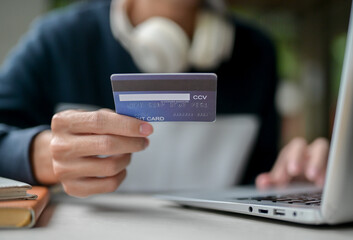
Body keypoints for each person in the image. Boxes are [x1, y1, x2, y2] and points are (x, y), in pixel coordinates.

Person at [0, 0, 329, 197]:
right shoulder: (58, 41)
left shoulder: (257, 55)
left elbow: (258, 179)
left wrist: (292, 184)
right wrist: (37, 155)